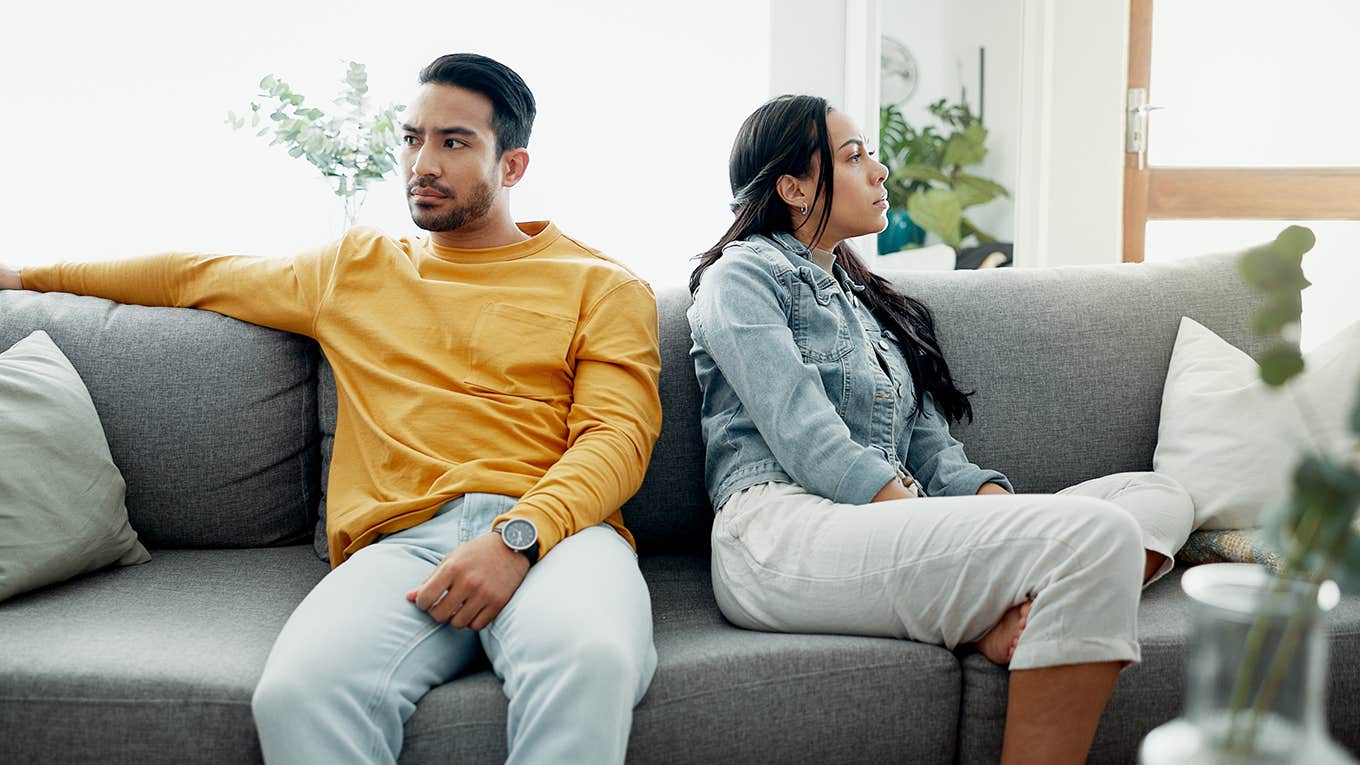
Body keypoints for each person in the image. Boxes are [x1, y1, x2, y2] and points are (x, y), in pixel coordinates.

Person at [0, 53, 661, 764]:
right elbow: (196, 276)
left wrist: (516, 536)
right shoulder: (355, 268)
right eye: (412, 138)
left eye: (454, 141)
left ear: (513, 165)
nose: (422, 162)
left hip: (556, 534)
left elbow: (616, 436)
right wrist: (25, 276)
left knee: (591, 662)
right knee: (297, 694)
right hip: (403, 542)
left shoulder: (603, 284)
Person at [686, 94, 1193, 765]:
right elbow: (806, 437)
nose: (880, 169)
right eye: (853, 156)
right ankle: (1018, 598)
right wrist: (995, 542)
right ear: (793, 186)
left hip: (883, 524)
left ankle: (1020, 603)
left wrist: (1008, 526)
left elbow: (934, 452)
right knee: (1099, 536)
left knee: (1157, 497)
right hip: (780, 531)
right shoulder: (741, 276)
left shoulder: (870, 305)